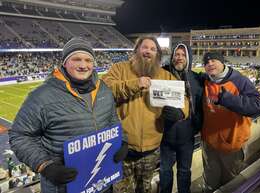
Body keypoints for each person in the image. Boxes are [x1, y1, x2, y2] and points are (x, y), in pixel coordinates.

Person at [9, 37, 127, 193]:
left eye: (88, 60)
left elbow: (112, 119)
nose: (83, 65)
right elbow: (20, 136)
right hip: (64, 186)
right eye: (76, 59)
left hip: (102, 181)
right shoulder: (41, 96)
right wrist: (45, 166)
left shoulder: (103, 89)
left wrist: (122, 141)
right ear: (64, 62)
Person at [102, 36, 189, 193]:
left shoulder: (165, 75)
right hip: (122, 149)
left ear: (157, 55)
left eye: (153, 49)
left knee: (146, 189)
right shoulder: (119, 69)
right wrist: (136, 84)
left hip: (151, 150)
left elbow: (183, 99)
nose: (148, 51)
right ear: (137, 50)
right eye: (145, 47)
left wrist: (180, 112)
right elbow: (105, 91)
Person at [201, 51, 260, 193]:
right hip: (209, 144)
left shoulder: (240, 80)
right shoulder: (205, 79)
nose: (210, 64)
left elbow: (258, 106)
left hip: (232, 145)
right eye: (206, 62)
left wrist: (227, 99)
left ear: (222, 62)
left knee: (230, 184)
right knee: (209, 182)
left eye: (214, 60)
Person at [159, 43, 204, 193]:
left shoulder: (196, 79)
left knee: (184, 172)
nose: (179, 58)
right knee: (165, 172)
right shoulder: (162, 73)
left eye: (183, 55)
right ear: (172, 57)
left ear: (188, 58)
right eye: (177, 55)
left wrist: (195, 126)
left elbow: (199, 106)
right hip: (165, 136)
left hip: (186, 137)